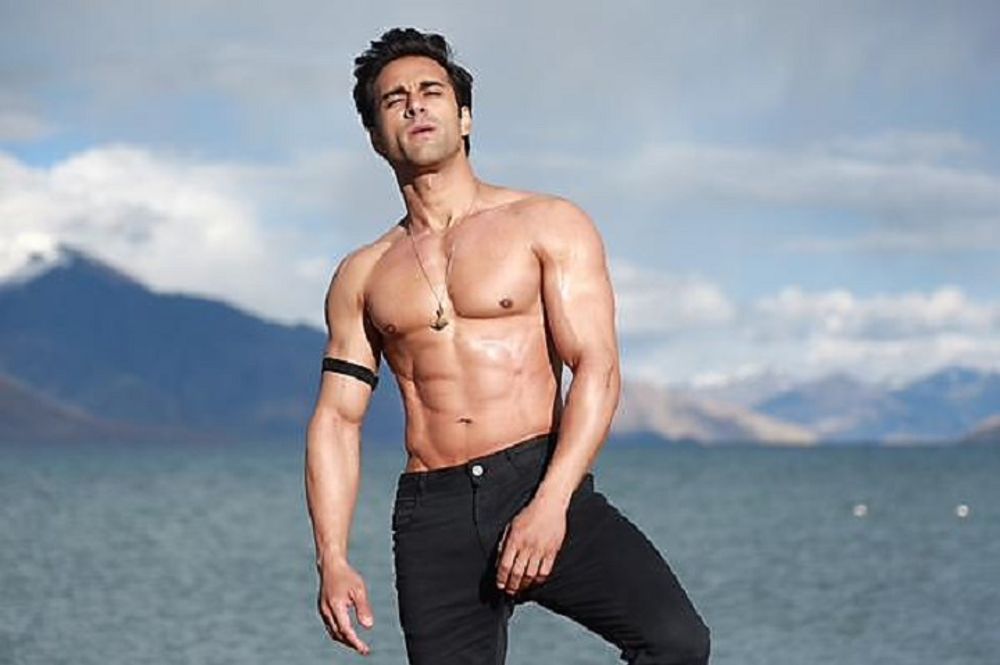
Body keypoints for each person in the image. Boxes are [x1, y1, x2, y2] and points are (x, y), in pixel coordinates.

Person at [304, 27, 710, 665]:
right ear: (376, 137)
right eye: (394, 100)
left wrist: (551, 503)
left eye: (431, 91)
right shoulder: (363, 274)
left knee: (676, 642)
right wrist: (332, 557)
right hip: (433, 511)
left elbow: (597, 368)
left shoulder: (546, 224)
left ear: (464, 118)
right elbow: (336, 419)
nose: (415, 105)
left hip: (539, 478)